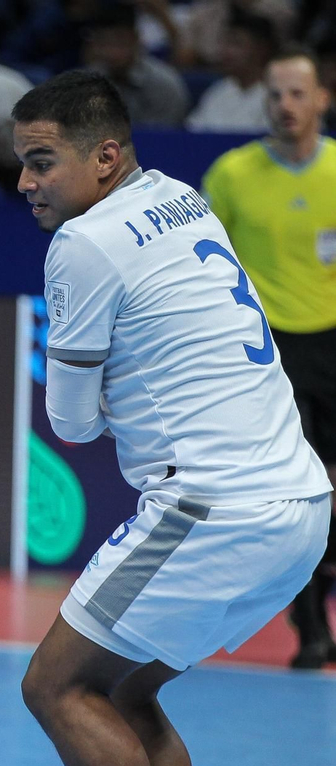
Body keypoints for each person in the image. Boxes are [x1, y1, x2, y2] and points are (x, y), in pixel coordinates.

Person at [12, 71, 331, 766]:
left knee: (57, 686)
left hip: (212, 508)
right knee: (127, 692)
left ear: (105, 157)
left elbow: (70, 424)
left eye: (44, 162)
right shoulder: (179, 199)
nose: (27, 183)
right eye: (22, 164)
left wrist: (117, 382)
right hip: (299, 507)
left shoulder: (84, 243)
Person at [203, 47, 336, 666]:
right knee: (297, 496)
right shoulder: (230, 174)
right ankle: (312, 631)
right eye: (276, 94)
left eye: (298, 94)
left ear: (322, 101)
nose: (285, 105)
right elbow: (202, 266)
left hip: (333, 343)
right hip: (268, 355)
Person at [83, 3, 189, 127]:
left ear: (136, 39)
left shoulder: (165, 86)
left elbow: (165, 139)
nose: (112, 52)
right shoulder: (86, 84)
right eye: (104, 43)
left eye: (120, 42)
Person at [187, 13, 277, 132]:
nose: (226, 51)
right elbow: (192, 134)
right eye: (224, 43)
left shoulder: (275, 97)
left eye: (236, 43)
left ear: (261, 49)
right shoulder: (217, 92)